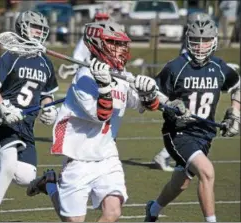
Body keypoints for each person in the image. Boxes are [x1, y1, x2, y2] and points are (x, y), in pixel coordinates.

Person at [27, 20, 159, 222]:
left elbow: (148, 105)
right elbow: (101, 115)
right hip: (79, 157)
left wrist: (149, 92)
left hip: (107, 156)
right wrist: (104, 86)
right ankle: (51, 184)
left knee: (113, 211)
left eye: (122, 44)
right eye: (114, 43)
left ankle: (52, 184)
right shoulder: (84, 78)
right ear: (97, 44)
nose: (121, 49)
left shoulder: (122, 76)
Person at [144, 14, 240, 222]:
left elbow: (237, 86)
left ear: (213, 41)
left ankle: (153, 210)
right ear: (188, 40)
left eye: (205, 40)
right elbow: (151, 98)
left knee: (181, 182)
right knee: (207, 171)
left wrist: (235, 114)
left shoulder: (219, 67)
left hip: (204, 134)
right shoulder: (175, 67)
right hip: (178, 132)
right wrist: (169, 106)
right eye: (195, 40)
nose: (200, 46)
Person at [0, 11, 59, 222]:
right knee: (8, 167)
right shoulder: (11, 56)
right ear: (23, 28)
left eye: (41, 29)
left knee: (26, 177)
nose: (39, 32)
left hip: (26, 125)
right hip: (3, 120)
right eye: (35, 27)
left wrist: (49, 109)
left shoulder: (45, 62)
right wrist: (4, 107)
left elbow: (47, 95)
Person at [151, 12, 213, 172]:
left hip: (185, 87)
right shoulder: (191, 46)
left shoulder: (190, 40)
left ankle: (177, 159)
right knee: (187, 128)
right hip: (184, 90)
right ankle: (166, 156)